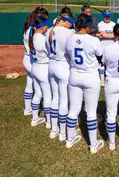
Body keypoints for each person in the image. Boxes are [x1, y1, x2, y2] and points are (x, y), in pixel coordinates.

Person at [65, 14, 104, 154]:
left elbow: (68, 56)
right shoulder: (94, 40)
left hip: (74, 75)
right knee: (91, 111)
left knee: (74, 109)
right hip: (90, 76)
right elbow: (101, 56)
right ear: (87, 26)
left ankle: (69, 140)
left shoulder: (69, 38)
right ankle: (93, 145)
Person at [46, 13, 74, 141]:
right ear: (66, 22)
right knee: (63, 100)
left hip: (51, 66)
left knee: (54, 98)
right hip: (63, 66)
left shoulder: (48, 31)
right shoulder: (68, 33)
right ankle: (63, 133)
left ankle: (54, 130)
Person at [22, 7, 49, 116]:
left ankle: (28, 109)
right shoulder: (34, 30)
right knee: (42, 89)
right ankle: (45, 113)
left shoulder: (28, 26)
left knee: (30, 84)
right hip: (33, 60)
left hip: (27, 58)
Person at [29, 15, 53, 128]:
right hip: (44, 68)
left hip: (35, 67)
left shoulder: (33, 36)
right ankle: (49, 122)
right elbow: (50, 53)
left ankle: (34, 118)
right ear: (42, 27)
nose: (47, 27)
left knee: (38, 93)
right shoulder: (43, 39)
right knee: (47, 96)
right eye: (46, 25)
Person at [97, 10, 116, 86]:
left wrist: (106, 35)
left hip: (111, 45)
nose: (107, 18)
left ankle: (110, 77)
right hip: (103, 45)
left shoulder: (113, 24)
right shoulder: (100, 24)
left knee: (111, 62)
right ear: (103, 16)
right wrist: (111, 36)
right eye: (106, 16)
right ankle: (102, 80)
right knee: (102, 63)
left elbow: (115, 34)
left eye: (108, 16)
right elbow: (103, 35)